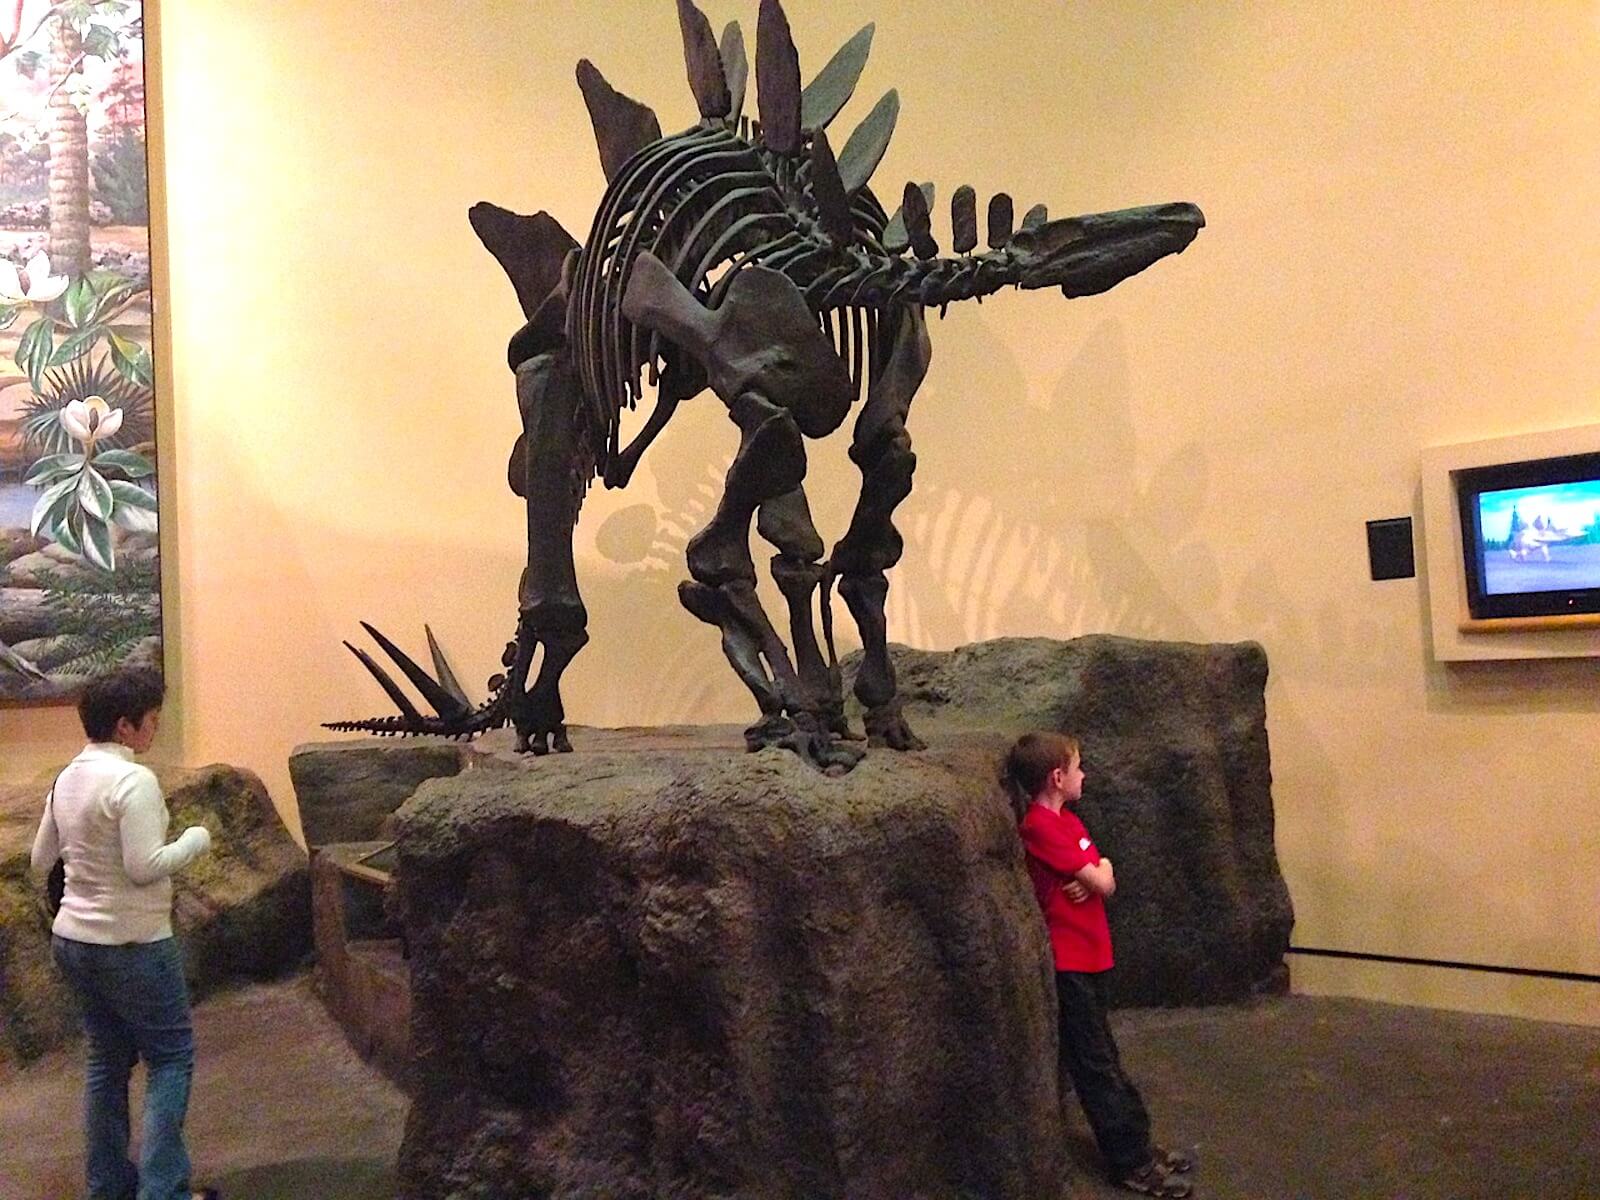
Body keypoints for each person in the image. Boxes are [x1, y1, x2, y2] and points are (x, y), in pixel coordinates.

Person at [30, 667, 219, 1200]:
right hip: (133, 943)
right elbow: (143, 866)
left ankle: (108, 1185)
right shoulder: (133, 781)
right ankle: (163, 1191)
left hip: (74, 942)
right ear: (124, 726)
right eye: (152, 720)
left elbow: (41, 860)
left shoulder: (67, 778)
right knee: (170, 1059)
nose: (155, 729)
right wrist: (194, 840)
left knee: (106, 1062)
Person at [1001, 730, 1196, 1198]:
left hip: (1089, 956)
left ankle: (1138, 1145)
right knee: (1096, 1064)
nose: (1084, 775)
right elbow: (1104, 881)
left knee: (1105, 1055)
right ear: (1057, 777)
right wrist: (1096, 875)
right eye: (1078, 767)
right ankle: (1129, 1160)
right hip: (1070, 963)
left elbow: (1101, 871)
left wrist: (1096, 871)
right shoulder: (1041, 827)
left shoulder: (1068, 822)